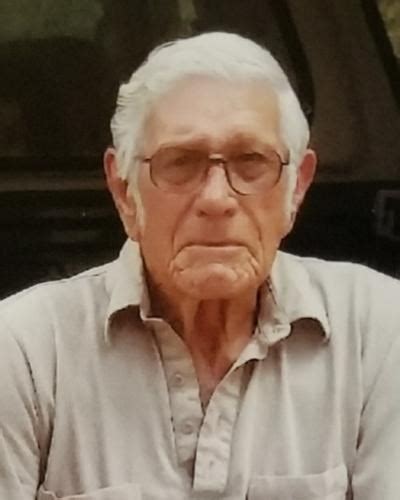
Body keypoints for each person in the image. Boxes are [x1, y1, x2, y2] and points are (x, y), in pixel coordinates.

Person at [0, 32, 399, 500]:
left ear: (296, 188)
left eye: (251, 161)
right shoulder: (24, 351)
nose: (216, 198)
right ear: (124, 192)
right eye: (180, 162)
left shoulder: (378, 330)